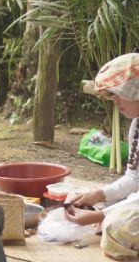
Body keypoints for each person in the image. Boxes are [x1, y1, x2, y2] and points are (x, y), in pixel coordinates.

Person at [65, 53, 139, 260]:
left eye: (117, 94)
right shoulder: (137, 125)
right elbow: (134, 179)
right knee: (96, 205)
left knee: (117, 228)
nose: (115, 102)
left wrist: (100, 216)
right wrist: (96, 196)